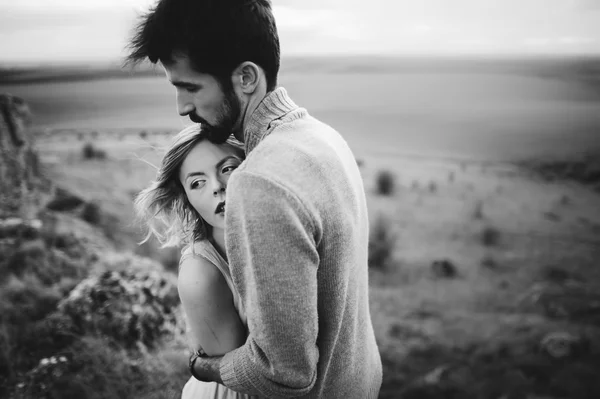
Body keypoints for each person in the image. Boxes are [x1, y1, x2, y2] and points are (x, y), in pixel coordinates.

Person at [127, 0, 383, 397]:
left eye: (191, 87)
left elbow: (284, 373)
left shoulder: (259, 180)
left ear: (246, 77)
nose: (183, 108)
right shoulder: (325, 137)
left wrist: (206, 368)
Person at [134, 125, 255, 398]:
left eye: (228, 169)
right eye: (197, 182)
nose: (217, 187)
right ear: (187, 199)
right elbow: (242, 378)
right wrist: (200, 367)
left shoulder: (281, 241)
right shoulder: (200, 273)